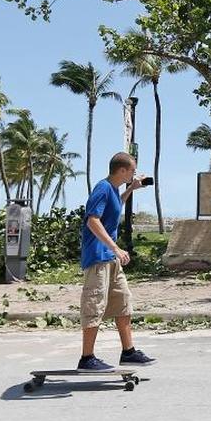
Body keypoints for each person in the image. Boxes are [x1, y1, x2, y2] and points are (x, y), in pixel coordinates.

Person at [77, 151, 156, 370]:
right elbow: (92, 220)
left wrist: (131, 189)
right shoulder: (102, 188)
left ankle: (128, 352)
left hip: (111, 260)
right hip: (98, 259)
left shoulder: (113, 190)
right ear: (122, 170)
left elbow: (115, 207)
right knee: (94, 306)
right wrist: (115, 247)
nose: (134, 173)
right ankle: (87, 358)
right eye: (132, 170)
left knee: (123, 304)